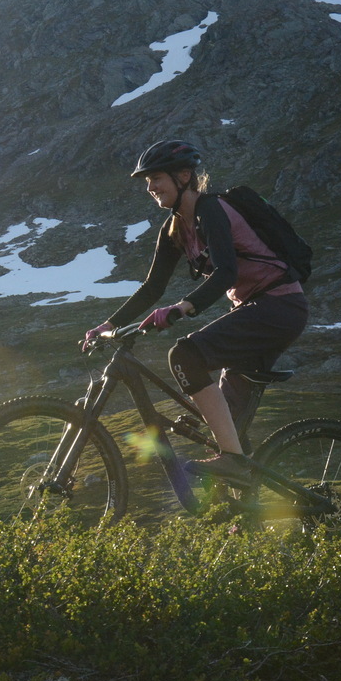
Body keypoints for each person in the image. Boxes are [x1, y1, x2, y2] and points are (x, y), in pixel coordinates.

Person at [82, 140, 309, 484]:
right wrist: (107, 325)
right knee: (224, 427)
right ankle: (242, 501)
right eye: (147, 182)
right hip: (257, 310)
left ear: (184, 176)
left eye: (156, 178)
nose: (151, 188)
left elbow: (226, 273)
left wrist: (182, 308)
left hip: (279, 305)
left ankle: (233, 459)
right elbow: (152, 287)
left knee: (185, 355)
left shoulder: (211, 210)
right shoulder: (174, 228)